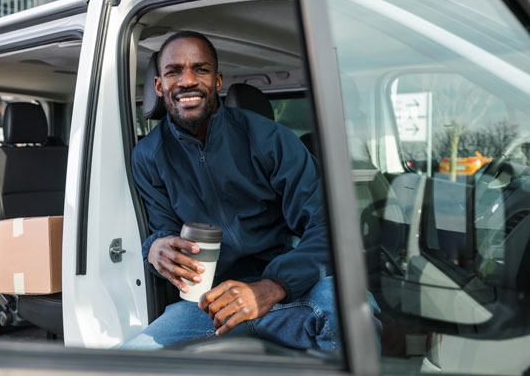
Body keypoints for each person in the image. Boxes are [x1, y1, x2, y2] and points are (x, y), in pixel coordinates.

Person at [125, 31, 378, 351]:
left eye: (200, 69)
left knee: (350, 306)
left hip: (291, 295)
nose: (187, 80)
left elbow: (329, 226)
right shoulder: (148, 156)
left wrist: (273, 286)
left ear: (217, 81)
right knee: (127, 360)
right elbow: (163, 230)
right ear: (160, 86)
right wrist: (155, 248)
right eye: (174, 71)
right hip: (208, 305)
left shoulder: (271, 140)